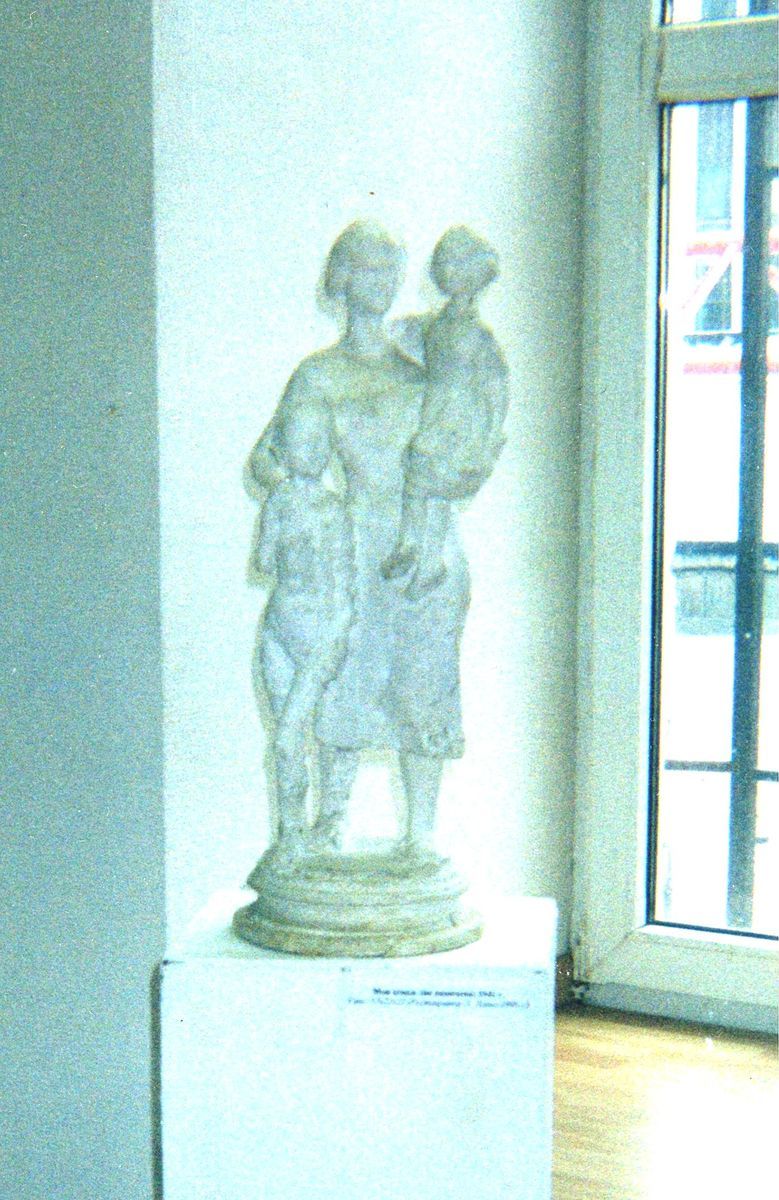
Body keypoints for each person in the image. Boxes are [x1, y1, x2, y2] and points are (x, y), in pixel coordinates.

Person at [249, 221, 470, 855]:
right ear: (342, 278)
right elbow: (266, 458)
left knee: (423, 682)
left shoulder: (422, 370)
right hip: (350, 548)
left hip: (427, 547)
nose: (384, 281)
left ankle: (421, 835)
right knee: (344, 679)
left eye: (391, 268)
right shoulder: (318, 375)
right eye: (369, 267)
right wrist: (307, 502)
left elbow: (460, 443)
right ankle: (333, 819)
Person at [382, 226, 509, 598]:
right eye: (444, 264)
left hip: (459, 422)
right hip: (435, 413)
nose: (448, 272)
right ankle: (409, 543)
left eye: (457, 264)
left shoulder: (480, 336)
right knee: (417, 475)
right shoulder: (435, 325)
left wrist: (489, 431)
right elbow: (415, 342)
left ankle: (430, 562)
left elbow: (496, 383)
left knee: (436, 488)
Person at [255, 401, 353, 861]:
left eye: (321, 442)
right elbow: (263, 562)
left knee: (300, 735)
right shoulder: (278, 501)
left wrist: (332, 644)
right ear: (283, 450)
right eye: (301, 442)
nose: (313, 451)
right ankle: (292, 833)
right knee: (286, 736)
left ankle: (330, 822)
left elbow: (345, 590)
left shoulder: (335, 511)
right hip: (279, 629)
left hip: (321, 636)